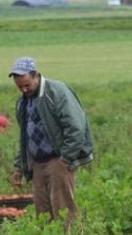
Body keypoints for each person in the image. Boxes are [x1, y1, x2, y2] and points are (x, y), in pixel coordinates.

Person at [8, 56, 95, 223]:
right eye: (20, 87)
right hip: (37, 164)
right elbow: (25, 138)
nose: (24, 90)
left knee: (63, 211)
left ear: (36, 76)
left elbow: (76, 126)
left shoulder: (56, 92)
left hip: (58, 160)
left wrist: (66, 158)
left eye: (27, 85)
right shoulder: (22, 103)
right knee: (43, 214)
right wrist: (20, 167)